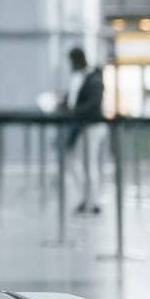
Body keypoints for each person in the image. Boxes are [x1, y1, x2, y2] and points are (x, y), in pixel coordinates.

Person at [62, 46, 107, 214]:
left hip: (91, 126)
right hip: (80, 126)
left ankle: (93, 201)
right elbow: (74, 100)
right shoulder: (79, 78)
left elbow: (93, 104)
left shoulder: (93, 78)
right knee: (73, 161)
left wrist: (73, 111)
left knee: (89, 163)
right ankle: (86, 197)